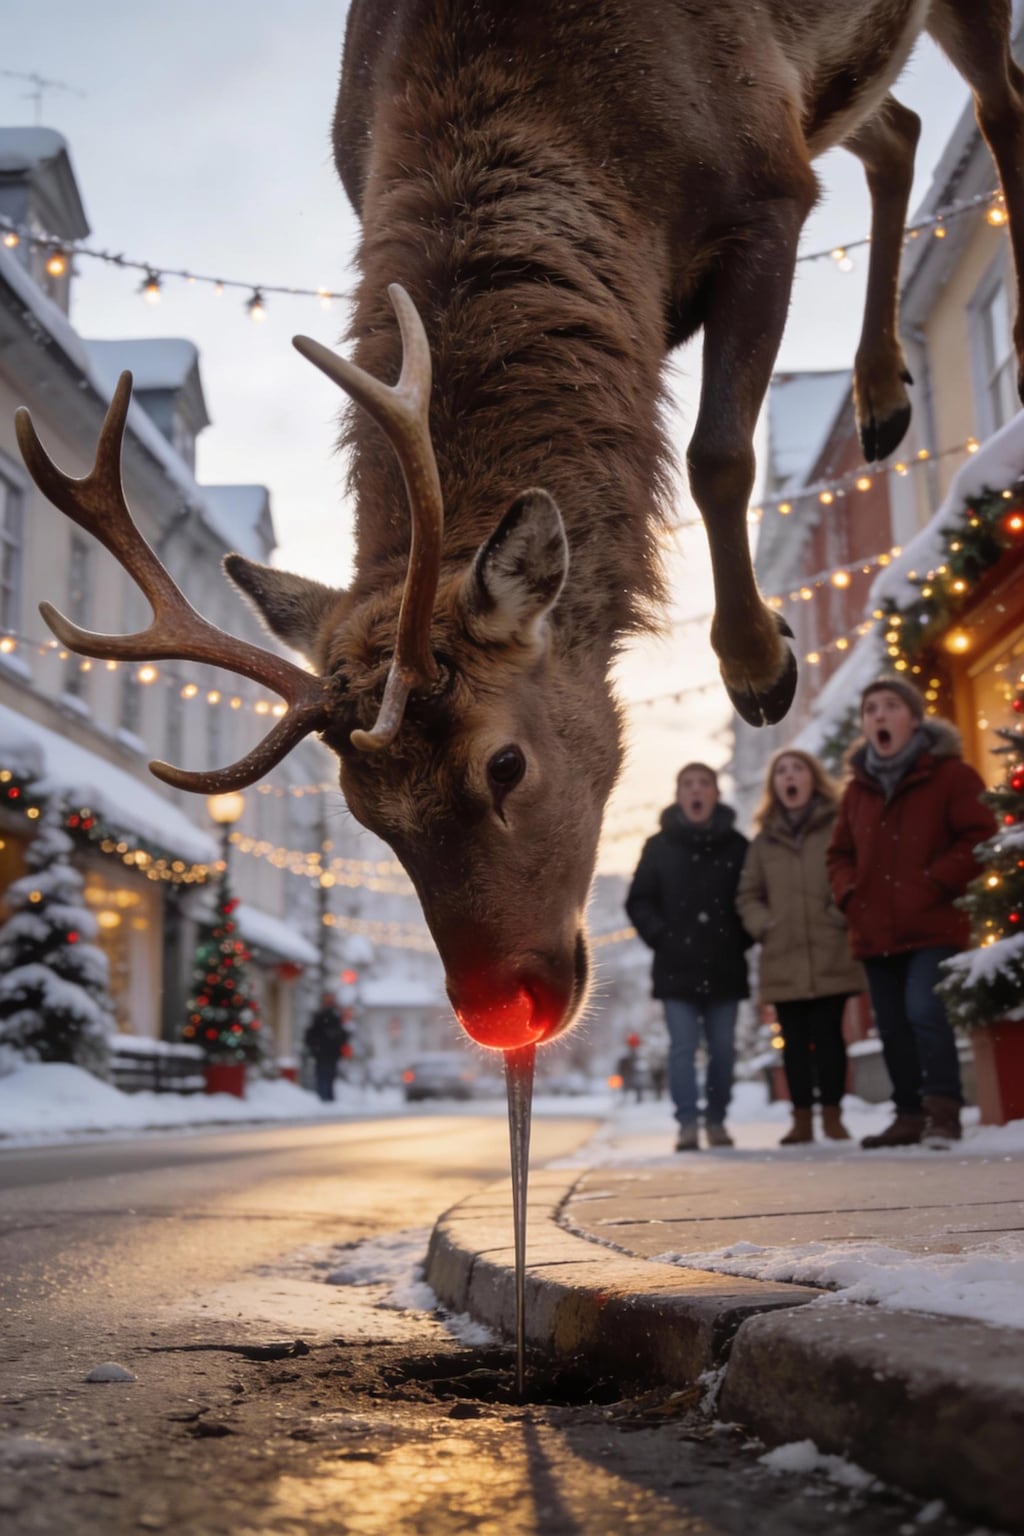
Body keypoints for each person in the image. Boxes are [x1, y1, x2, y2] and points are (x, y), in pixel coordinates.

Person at [827, 677, 996, 1149]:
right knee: (893, 1024)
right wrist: (850, 894)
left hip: (933, 922)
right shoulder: (857, 790)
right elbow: (838, 854)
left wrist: (935, 880)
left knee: (925, 1011)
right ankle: (908, 1114)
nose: (878, 716)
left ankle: (943, 1113)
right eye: (870, 709)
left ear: (915, 719)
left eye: (889, 706)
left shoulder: (951, 776)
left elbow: (979, 836)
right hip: (874, 928)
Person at [736, 749, 866, 1145]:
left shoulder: (837, 827)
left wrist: (838, 913)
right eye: (782, 772)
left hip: (830, 948)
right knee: (793, 1043)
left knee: (829, 1037)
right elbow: (748, 894)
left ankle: (832, 1115)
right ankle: (802, 1120)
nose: (790, 777)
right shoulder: (763, 841)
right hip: (784, 953)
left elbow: (854, 872)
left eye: (797, 770)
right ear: (775, 786)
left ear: (813, 779)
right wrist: (765, 926)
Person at [626, 762, 751, 1151]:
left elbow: (752, 899)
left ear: (715, 792)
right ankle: (686, 1124)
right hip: (675, 968)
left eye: (704, 784)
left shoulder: (738, 846)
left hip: (725, 965)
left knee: (722, 1049)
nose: (696, 791)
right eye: (688, 785)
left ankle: (716, 1120)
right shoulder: (658, 847)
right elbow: (639, 902)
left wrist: (738, 938)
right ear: (679, 795)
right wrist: (662, 937)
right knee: (682, 1048)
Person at [304, 992, 348, 1103]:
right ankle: (322, 1098)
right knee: (322, 1075)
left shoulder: (336, 1016)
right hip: (322, 1052)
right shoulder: (319, 1016)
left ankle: (328, 1098)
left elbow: (342, 1035)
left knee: (330, 1076)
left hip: (331, 1053)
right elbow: (311, 1034)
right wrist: (314, 1047)